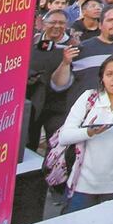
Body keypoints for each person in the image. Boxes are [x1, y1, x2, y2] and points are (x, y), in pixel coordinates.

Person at [56, 55, 113, 213]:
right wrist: (89, 132)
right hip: (83, 185)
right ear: (102, 78)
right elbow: (64, 136)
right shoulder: (90, 98)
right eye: (109, 74)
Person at [52, 4, 113, 110]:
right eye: (110, 20)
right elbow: (58, 85)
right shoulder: (81, 49)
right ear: (100, 25)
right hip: (85, 113)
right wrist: (65, 63)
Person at [27, 10, 77, 150]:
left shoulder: (73, 45)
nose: (57, 26)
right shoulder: (33, 41)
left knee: (56, 146)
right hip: (33, 102)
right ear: (43, 24)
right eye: (52, 22)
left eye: (61, 23)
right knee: (28, 144)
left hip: (59, 105)